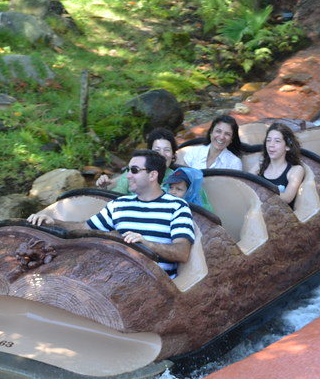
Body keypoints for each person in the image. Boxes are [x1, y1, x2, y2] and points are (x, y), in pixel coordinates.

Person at [29, 149, 195, 277]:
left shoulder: (177, 206)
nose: (128, 176)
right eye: (128, 170)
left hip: (154, 283)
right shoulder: (119, 204)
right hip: (114, 275)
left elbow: (182, 252)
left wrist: (147, 243)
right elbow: (85, 227)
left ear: (152, 175)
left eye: (135, 170)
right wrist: (52, 222)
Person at [96, 127, 177, 192]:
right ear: (149, 153)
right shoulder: (135, 170)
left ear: (173, 154)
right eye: (157, 150)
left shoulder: (177, 178)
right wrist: (104, 185)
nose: (162, 154)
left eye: (167, 150)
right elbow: (117, 191)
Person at [258, 122, 306, 204]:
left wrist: (259, 190)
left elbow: (287, 198)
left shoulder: (296, 170)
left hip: (280, 214)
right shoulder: (261, 164)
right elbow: (245, 184)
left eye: (277, 141)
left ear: (287, 146)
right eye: (268, 140)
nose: (271, 145)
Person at [176, 115, 242, 171]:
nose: (221, 137)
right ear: (211, 132)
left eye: (227, 134)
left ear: (231, 139)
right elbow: (183, 179)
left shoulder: (234, 163)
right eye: (218, 131)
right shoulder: (194, 152)